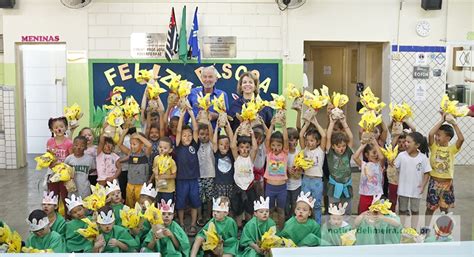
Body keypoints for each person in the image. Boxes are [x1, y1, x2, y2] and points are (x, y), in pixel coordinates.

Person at [425, 113, 464, 227]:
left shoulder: (452, 149)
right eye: (437, 135)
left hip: (447, 184)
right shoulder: (434, 147)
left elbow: (461, 139)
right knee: (430, 209)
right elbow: (430, 134)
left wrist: (454, 123)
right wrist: (442, 120)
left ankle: (444, 232)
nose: (436, 137)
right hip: (434, 183)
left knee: (444, 209)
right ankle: (425, 230)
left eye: (440, 135)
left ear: (448, 138)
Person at [394, 132, 431, 229]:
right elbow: (394, 166)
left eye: (408, 142)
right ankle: (401, 229)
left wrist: (423, 185)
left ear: (417, 145)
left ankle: (413, 229)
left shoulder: (423, 158)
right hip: (403, 189)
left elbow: (427, 173)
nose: (405, 143)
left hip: (416, 189)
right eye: (405, 141)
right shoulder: (401, 155)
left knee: (415, 210)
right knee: (402, 209)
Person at [175, 108, 201, 236]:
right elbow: (179, 130)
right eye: (185, 135)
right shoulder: (178, 146)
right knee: (180, 203)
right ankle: (181, 223)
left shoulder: (194, 145)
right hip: (181, 180)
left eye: (189, 135)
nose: (187, 137)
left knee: (195, 202)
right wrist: (181, 116)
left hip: (193, 179)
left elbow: (196, 129)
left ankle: (192, 224)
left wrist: (191, 114)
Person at [299, 118, 327, 224]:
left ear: (317, 141)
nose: (309, 143)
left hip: (317, 181)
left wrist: (315, 122)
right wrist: (307, 123)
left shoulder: (320, 151)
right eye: (307, 140)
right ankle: (306, 224)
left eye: (312, 140)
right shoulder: (305, 150)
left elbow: (324, 135)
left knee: (317, 205)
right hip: (306, 179)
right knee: (305, 203)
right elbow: (301, 135)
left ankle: (317, 225)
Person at [230, 124, 258, 228]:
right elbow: (232, 146)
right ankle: (238, 228)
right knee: (238, 211)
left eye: (247, 147)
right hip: (238, 188)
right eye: (242, 147)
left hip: (249, 188)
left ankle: (248, 228)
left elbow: (255, 148)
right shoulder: (237, 158)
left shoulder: (250, 158)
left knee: (249, 211)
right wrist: (237, 131)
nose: (244, 150)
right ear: (238, 148)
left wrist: (252, 135)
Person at [264, 115, 289, 229]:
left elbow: (286, 140)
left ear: (283, 146)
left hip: (282, 188)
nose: (276, 147)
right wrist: (272, 124)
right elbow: (268, 139)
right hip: (269, 187)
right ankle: (268, 231)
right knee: (268, 210)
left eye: (279, 145)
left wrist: (283, 126)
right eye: (273, 145)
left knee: (281, 210)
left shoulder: (285, 153)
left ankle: (281, 231)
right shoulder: (269, 153)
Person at [326, 116, 354, 214]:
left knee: (347, 212)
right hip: (334, 187)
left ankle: (347, 228)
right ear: (333, 146)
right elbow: (328, 137)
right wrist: (332, 123)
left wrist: (344, 122)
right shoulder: (330, 153)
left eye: (343, 146)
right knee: (334, 212)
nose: (341, 148)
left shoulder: (347, 152)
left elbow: (350, 137)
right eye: (338, 146)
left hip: (347, 186)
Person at [118, 129, 152, 207]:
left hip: (141, 185)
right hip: (130, 184)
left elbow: (149, 145)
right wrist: (124, 132)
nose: (132, 146)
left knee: (140, 205)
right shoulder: (130, 153)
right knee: (129, 205)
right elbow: (119, 145)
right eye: (131, 144)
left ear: (142, 145)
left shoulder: (145, 154)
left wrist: (139, 136)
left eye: (134, 144)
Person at [46, 117, 73, 211]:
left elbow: (71, 159)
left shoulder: (69, 143)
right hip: (53, 173)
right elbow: (47, 158)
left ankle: (66, 216)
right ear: (51, 129)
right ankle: (54, 214)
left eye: (61, 126)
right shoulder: (50, 141)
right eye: (56, 127)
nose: (59, 129)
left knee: (65, 195)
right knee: (53, 194)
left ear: (66, 127)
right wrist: (51, 163)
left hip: (64, 174)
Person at [353, 138, 385, 214]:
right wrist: (363, 145)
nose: (376, 155)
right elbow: (355, 157)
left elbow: (382, 157)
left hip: (376, 196)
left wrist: (375, 143)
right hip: (365, 195)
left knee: (375, 217)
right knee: (363, 215)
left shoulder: (380, 165)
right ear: (367, 155)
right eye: (374, 153)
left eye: (377, 152)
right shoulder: (364, 165)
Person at [197, 122, 216, 226]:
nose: (204, 136)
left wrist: (208, 121)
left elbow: (212, 134)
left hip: (210, 174)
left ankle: (208, 215)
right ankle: (200, 216)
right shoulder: (196, 144)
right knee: (199, 197)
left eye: (207, 134)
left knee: (209, 197)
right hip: (198, 175)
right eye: (202, 134)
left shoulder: (211, 144)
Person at [212, 119, 235, 200]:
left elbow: (232, 139)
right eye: (221, 144)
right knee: (220, 203)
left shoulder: (231, 154)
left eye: (226, 144)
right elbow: (214, 142)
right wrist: (217, 127)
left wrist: (227, 124)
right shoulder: (216, 153)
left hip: (230, 183)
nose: (224, 146)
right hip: (219, 184)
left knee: (229, 204)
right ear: (218, 146)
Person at [150, 136, 176, 203]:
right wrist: (150, 179)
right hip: (159, 188)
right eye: (160, 147)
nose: (162, 149)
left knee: (167, 207)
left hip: (168, 190)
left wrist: (163, 176)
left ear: (170, 150)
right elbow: (154, 170)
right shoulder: (156, 158)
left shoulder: (171, 161)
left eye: (165, 148)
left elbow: (174, 175)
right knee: (159, 206)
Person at [286, 127, 302, 218]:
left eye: (296, 140)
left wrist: (297, 170)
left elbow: (302, 169)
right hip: (286, 185)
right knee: (285, 207)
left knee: (295, 206)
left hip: (297, 185)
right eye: (291, 140)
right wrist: (288, 169)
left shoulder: (299, 153)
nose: (294, 142)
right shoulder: (285, 153)